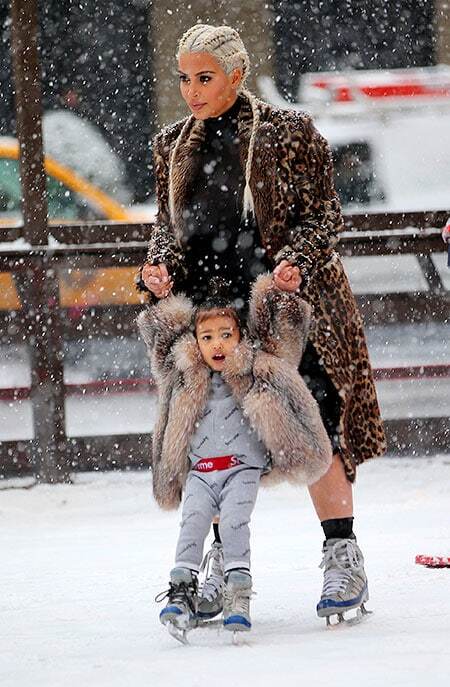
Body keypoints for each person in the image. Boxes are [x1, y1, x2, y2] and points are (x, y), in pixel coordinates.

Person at [136, 23, 386, 625]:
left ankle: (342, 554)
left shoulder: (288, 132)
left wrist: (295, 261)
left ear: (236, 75)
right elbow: (169, 229)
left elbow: (327, 212)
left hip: (284, 312)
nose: (192, 91)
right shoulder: (173, 142)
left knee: (316, 420)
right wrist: (158, 267)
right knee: (212, 435)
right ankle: (224, 567)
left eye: (204, 78)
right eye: (184, 79)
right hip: (210, 318)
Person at [138, 274, 332, 638]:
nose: (217, 345)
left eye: (226, 335)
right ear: (195, 342)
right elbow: (162, 340)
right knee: (192, 522)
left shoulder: (256, 367)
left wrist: (282, 293)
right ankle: (181, 591)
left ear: (241, 337)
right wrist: (161, 297)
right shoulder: (183, 372)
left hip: (242, 469)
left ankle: (238, 591)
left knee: (233, 523)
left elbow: (284, 347)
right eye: (207, 337)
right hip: (201, 471)